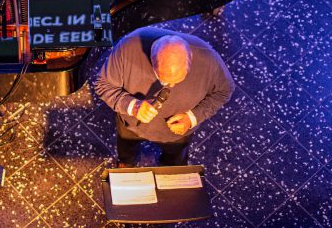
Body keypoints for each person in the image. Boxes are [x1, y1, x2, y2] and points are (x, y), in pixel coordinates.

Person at [95, 27, 234, 167]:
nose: (171, 86)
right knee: (126, 151)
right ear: (152, 60)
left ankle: (169, 166)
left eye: (179, 79)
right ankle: (127, 162)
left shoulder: (209, 60)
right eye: (164, 80)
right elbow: (102, 85)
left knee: (174, 159)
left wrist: (192, 118)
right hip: (131, 125)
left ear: (190, 57)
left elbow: (225, 90)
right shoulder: (127, 48)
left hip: (177, 134)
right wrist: (132, 106)